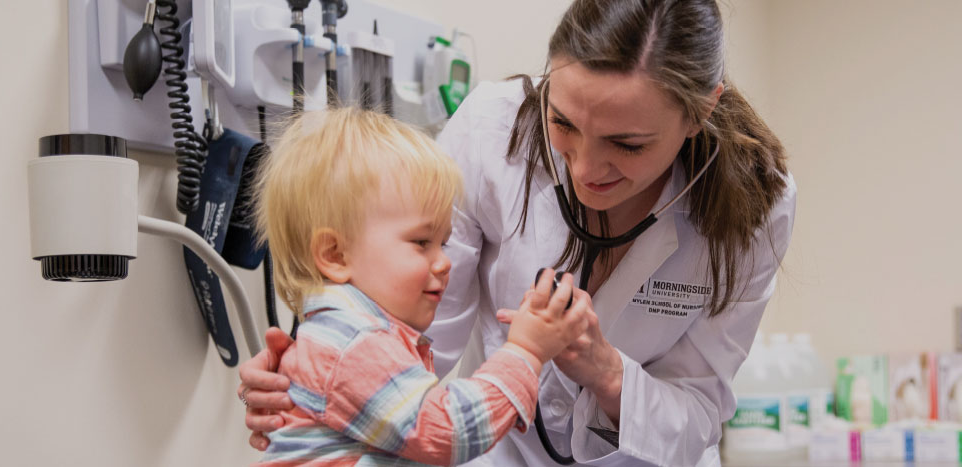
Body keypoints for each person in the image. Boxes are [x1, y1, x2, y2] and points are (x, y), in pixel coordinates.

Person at [241, 0, 797, 465]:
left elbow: (699, 410)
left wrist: (607, 374)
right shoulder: (492, 132)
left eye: (627, 145)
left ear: (701, 111)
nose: (584, 169)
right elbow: (409, 343)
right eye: (564, 123)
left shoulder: (756, 201)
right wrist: (320, 381)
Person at [248, 107, 591, 466]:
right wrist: (525, 352)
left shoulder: (347, 337)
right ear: (334, 254)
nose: (444, 263)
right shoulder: (354, 345)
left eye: (443, 244)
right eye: (421, 243)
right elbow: (448, 432)